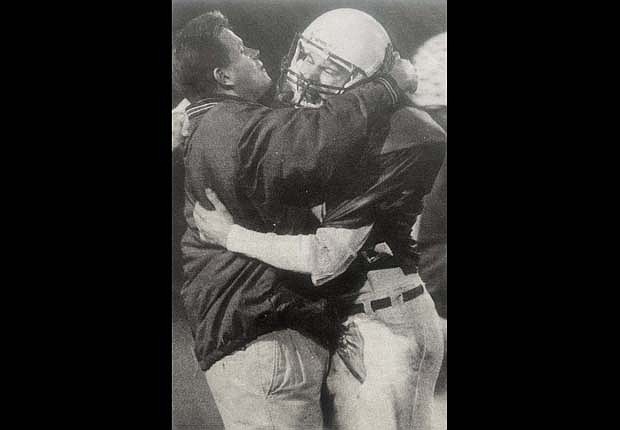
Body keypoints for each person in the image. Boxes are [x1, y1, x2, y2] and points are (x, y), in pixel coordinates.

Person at [191, 9, 446, 430]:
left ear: (368, 83)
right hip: (350, 321)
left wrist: (231, 235)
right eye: (308, 55)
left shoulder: (398, 136)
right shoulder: (321, 124)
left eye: (332, 68)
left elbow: (326, 258)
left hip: (386, 322)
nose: (308, 72)